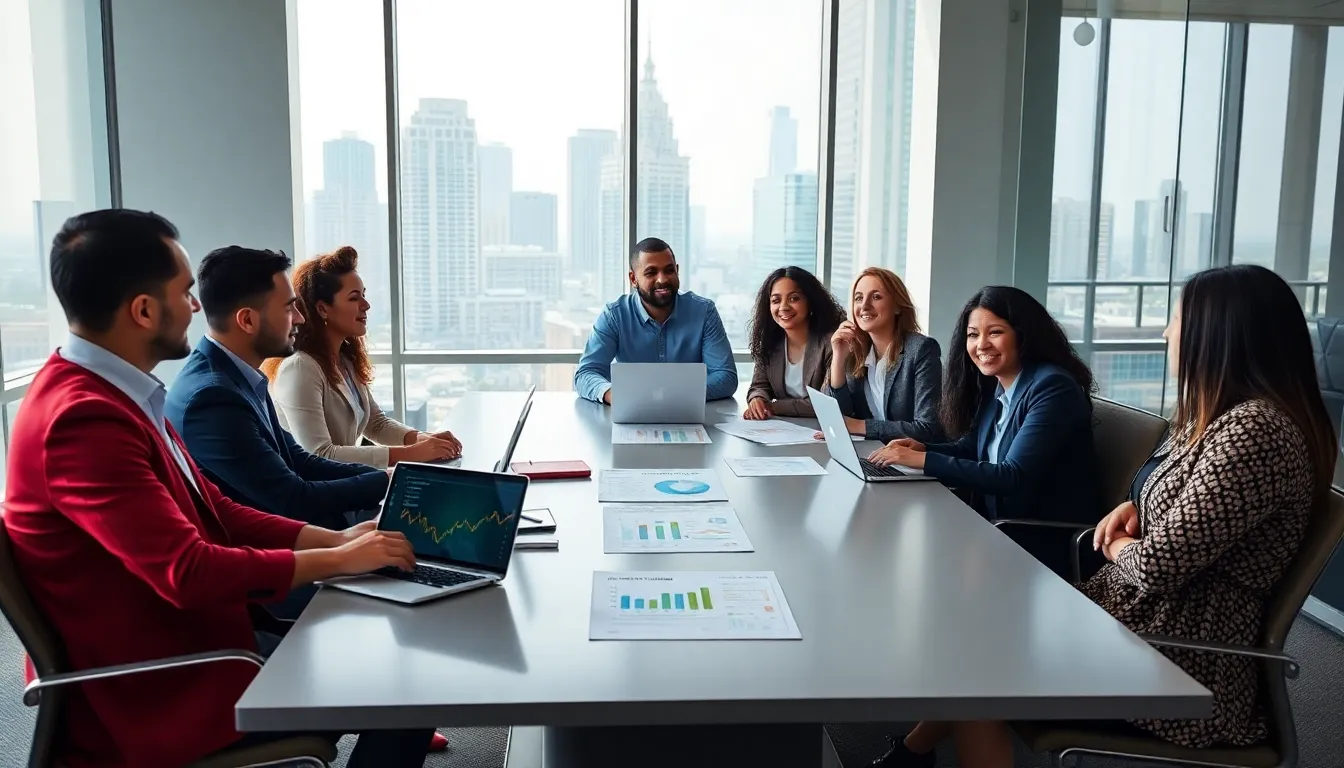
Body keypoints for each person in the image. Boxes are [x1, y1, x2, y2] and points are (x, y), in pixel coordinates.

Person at [4, 208, 434, 767]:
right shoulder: (82, 420)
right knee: (412, 689)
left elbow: (217, 511)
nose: (195, 306)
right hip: (170, 683)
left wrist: (336, 541)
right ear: (142, 310)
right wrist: (340, 561)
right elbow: (189, 572)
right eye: (184, 293)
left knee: (401, 659)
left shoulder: (116, 394)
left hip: (205, 640)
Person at [870, 266, 1337, 768]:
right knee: (971, 637)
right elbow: (1188, 495)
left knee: (979, 664)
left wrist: (1111, 543)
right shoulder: (1217, 417)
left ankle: (912, 754)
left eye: (1176, 319)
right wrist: (1137, 504)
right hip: (1123, 621)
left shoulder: (1254, 432)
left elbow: (1157, 566)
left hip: (1178, 655)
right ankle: (912, 754)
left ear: (1217, 332)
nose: (1166, 332)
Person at [867, 285, 1099, 575]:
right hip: (994, 526)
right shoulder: (1000, 384)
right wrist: (923, 449)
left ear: (1023, 335)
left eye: (995, 332)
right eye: (973, 335)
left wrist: (923, 461)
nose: (981, 345)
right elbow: (972, 448)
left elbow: (1012, 476)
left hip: (1036, 540)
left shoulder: (1052, 388)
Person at [165, 246, 390, 534]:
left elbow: (299, 461)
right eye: (289, 308)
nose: (300, 318)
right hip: (268, 563)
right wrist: (387, 482)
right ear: (247, 320)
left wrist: (386, 477)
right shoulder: (212, 398)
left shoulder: (239, 375)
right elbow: (292, 498)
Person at [263, 246, 461, 468]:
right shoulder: (300, 368)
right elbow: (319, 454)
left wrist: (423, 439)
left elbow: (376, 423)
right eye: (354, 298)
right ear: (323, 309)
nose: (366, 305)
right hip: (318, 494)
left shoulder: (344, 360)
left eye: (364, 295)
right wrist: (413, 453)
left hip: (344, 484)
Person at [574, 237, 738, 404]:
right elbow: (585, 373)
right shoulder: (615, 315)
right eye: (651, 272)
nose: (662, 279)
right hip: (633, 413)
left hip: (690, 416)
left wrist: (671, 396)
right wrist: (613, 394)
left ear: (677, 271)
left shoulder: (704, 312)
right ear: (633, 279)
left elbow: (725, 376)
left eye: (669, 270)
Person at [821, 267, 942, 441]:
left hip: (908, 460)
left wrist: (858, 426)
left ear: (897, 307)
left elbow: (927, 428)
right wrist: (838, 358)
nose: (864, 306)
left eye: (876, 297)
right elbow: (838, 416)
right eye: (858, 298)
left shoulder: (921, 349)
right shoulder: (856, 350)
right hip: (870, 453)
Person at [744, 266, 846, 419]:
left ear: (811, 303)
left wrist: (774, 406)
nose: (783, 307)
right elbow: (759, 385)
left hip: (824, 430)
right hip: (786, 430)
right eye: (776, 300)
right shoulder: (770, 342)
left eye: (794, 298)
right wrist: (757, 399)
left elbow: (826, 402)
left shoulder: (831, 343)